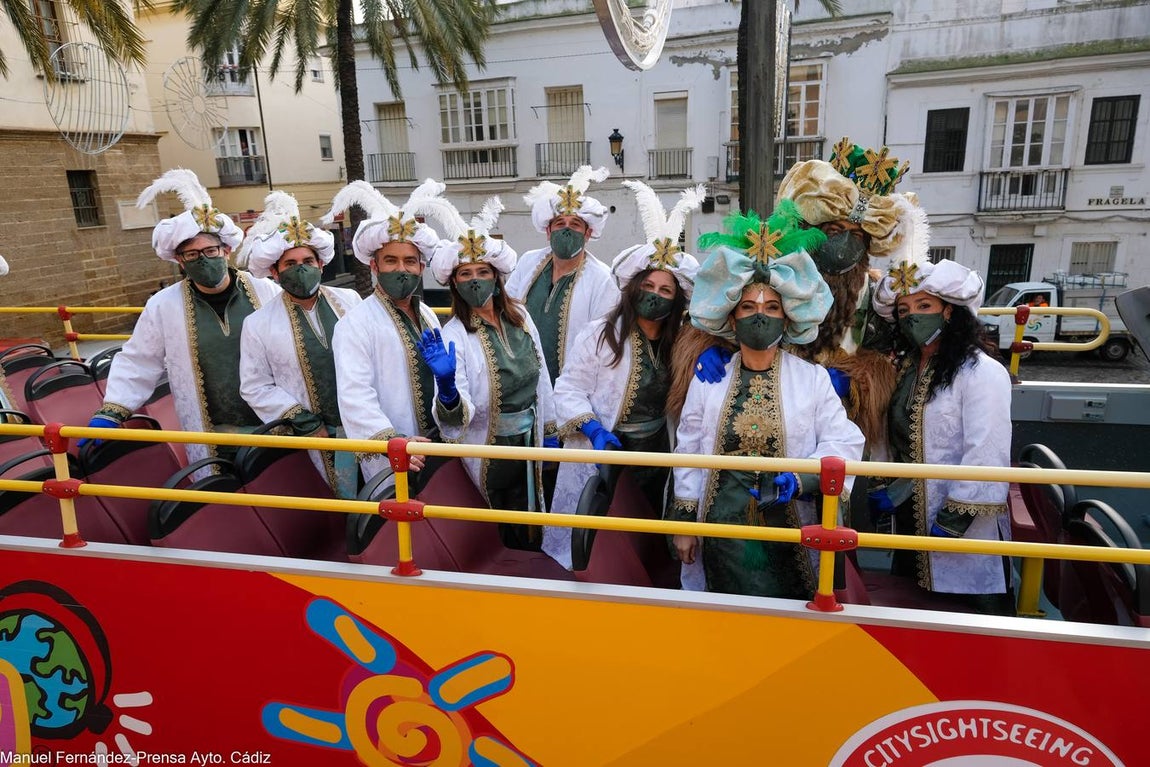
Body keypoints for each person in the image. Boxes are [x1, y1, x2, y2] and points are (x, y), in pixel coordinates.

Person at [669, 204, 865, 597]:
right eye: (749, 307)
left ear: (789, 317)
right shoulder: (710, 376)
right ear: (732, 318)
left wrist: (802, 478)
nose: (760, 315)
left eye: (771, 307)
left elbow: (844, 441)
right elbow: (688, 447)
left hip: (790, 523)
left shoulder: (811, 379)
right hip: (721, 527)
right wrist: (686, 526)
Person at [545, 181, 704, 570]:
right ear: (632, 288)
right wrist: (594, 429)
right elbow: (567, 390)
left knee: (646, 537)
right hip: (605, 453)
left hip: (656, 456)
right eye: (648, 285)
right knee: (599, 543)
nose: (656, 294)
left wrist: (708, 353)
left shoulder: (683, 342)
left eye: (666, 289)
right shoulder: (601, 333)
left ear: (678, 299)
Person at [85, 169, 281, 464]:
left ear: (226, 250)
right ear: (179, 261)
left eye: (211, 250)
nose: (203, 259)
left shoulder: (264, 291)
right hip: (211, 433)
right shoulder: (163, 305)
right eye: (192, 254)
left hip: (278, 423)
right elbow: (140, 359)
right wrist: (113, 410)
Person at [871, 254, 1015, 615]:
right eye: (904, 310)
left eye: (924, 305)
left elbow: (987, 450)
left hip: (962, 526)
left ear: (949, 311)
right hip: (910, 519)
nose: (913, 316)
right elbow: (895, 439)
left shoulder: (981, 372)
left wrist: (954, 520)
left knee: (970, 622)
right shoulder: (904, 369)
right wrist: (884, 487)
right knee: (912, 616)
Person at [419, 195, 558, 550]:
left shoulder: (521, 318)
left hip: (530, 445)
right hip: (486, 453)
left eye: (483, 272)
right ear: (455, 284)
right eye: (466, 274)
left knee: (532, 520)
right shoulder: (453, 336)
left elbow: (541, 377)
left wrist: (551, 428)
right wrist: (447, 387)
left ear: (497, 278)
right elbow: (454, 418)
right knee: (495, 529)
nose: (475, 280)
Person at [238, 191, 363, 497]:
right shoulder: (258, 323)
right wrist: (302, 420)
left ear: (321, 264)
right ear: (275, 272)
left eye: (307, 260)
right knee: (337, 503)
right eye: (290, 263)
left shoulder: (350, 301)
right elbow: (254, 386)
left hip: (365, 424)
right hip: (314, 435)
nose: (301, 268)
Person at [323, 180, 446, 487]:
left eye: (409, 261)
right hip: (393, 455)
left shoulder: (428, 314)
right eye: (391, 260)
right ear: (374, 267)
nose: (400, 269)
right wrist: (394, 442)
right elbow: (355, 397)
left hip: (434, 446)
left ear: (421, 268)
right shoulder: (355, 324)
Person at [505, 166, 620, 385]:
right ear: (548, 231)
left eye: (575, 224)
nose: (566, 230)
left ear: (588, 233)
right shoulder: (528, 262)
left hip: (573, 389)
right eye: (559, 223)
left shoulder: (603, 279)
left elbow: (601, 344)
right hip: (524, 384)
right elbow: (507, 310)